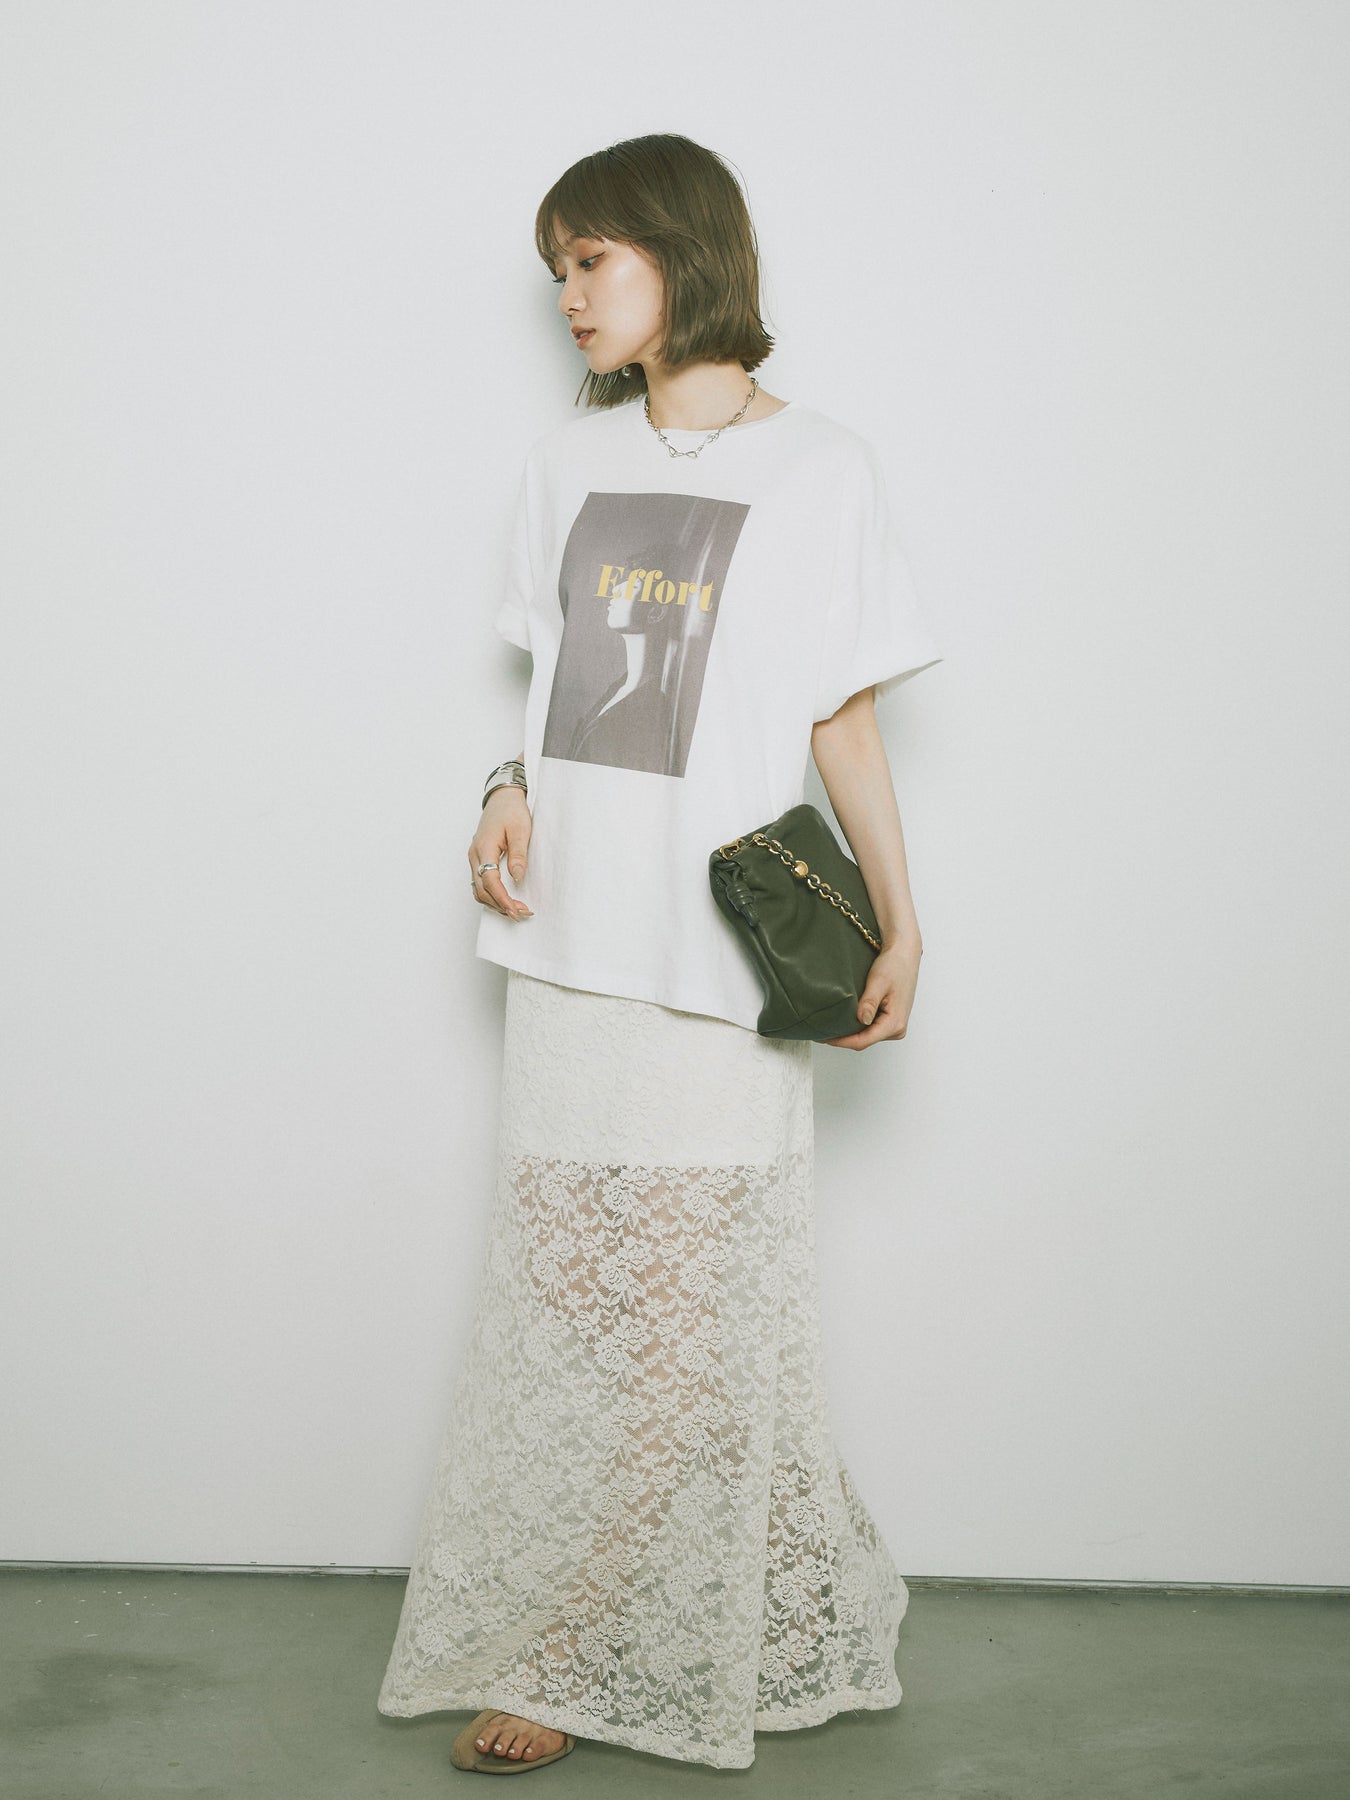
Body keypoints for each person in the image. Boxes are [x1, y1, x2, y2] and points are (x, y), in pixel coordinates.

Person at [375, 132, 944, 1774]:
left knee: (687, 1320)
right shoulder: (565, 465)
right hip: (568, 940)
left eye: (591, 259)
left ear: (682, 254)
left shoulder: (823, 468)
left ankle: (568, 1645)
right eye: (555, 268)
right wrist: (501, 785)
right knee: (570, 1307)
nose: (567, 295)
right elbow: (551, 682)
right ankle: (781, 1590)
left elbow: (839, 720)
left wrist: (903, 920)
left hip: (712, 957)